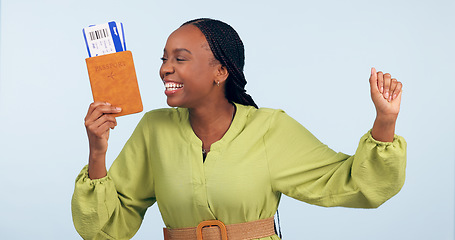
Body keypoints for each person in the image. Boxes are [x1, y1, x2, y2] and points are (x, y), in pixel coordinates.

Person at [72, 18, 406, 240]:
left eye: (180, 58)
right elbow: (105, 229)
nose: (165, 69)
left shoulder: (269, 128)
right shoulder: (153, 129)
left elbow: (355, 184)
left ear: (220, 71)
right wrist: (98, 151)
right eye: (164, 59)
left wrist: (385, 121)